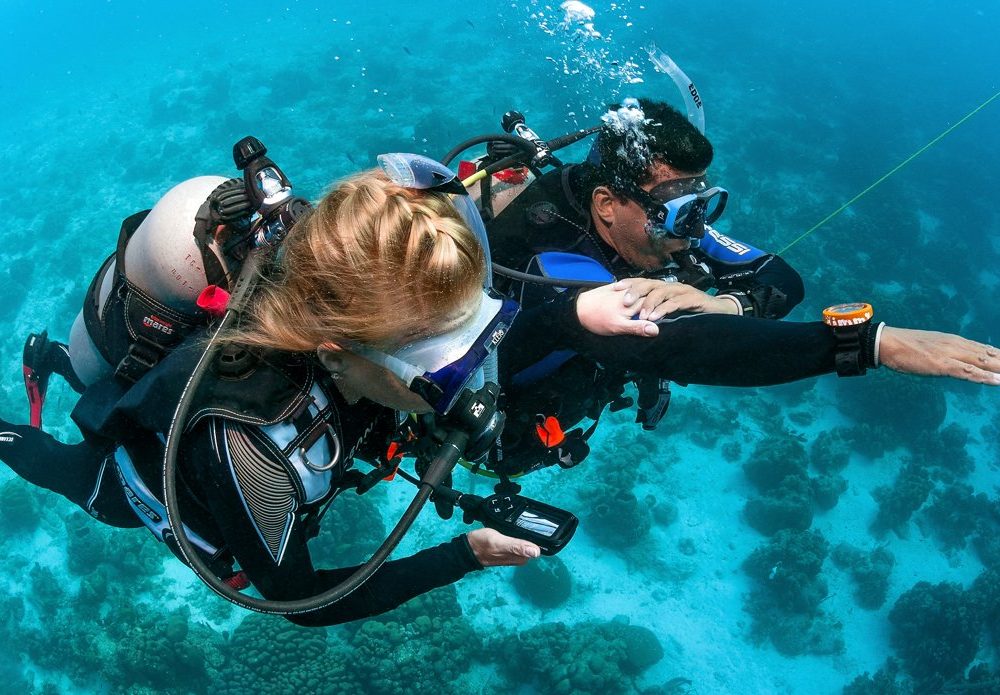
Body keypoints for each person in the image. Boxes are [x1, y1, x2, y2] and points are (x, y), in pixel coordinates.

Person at [2, 165, 541, 626]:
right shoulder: (248, 447)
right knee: (69, 472)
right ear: (334, 354)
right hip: (133, 482)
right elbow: (301, 601)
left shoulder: (353, 321)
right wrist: (465, 555)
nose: (464, 380)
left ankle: (56, 359)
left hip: (203, 386)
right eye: (439, 370)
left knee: (104, 382)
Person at [478, 97, 1000, 476]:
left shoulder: (657, 220)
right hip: (497, 413)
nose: (695, 230)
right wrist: (866, 345)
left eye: (701, 205)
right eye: (681, 212)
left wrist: (730, 302)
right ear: (607, 205)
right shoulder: (555, 261)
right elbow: (679, 348)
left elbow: (780, 277)